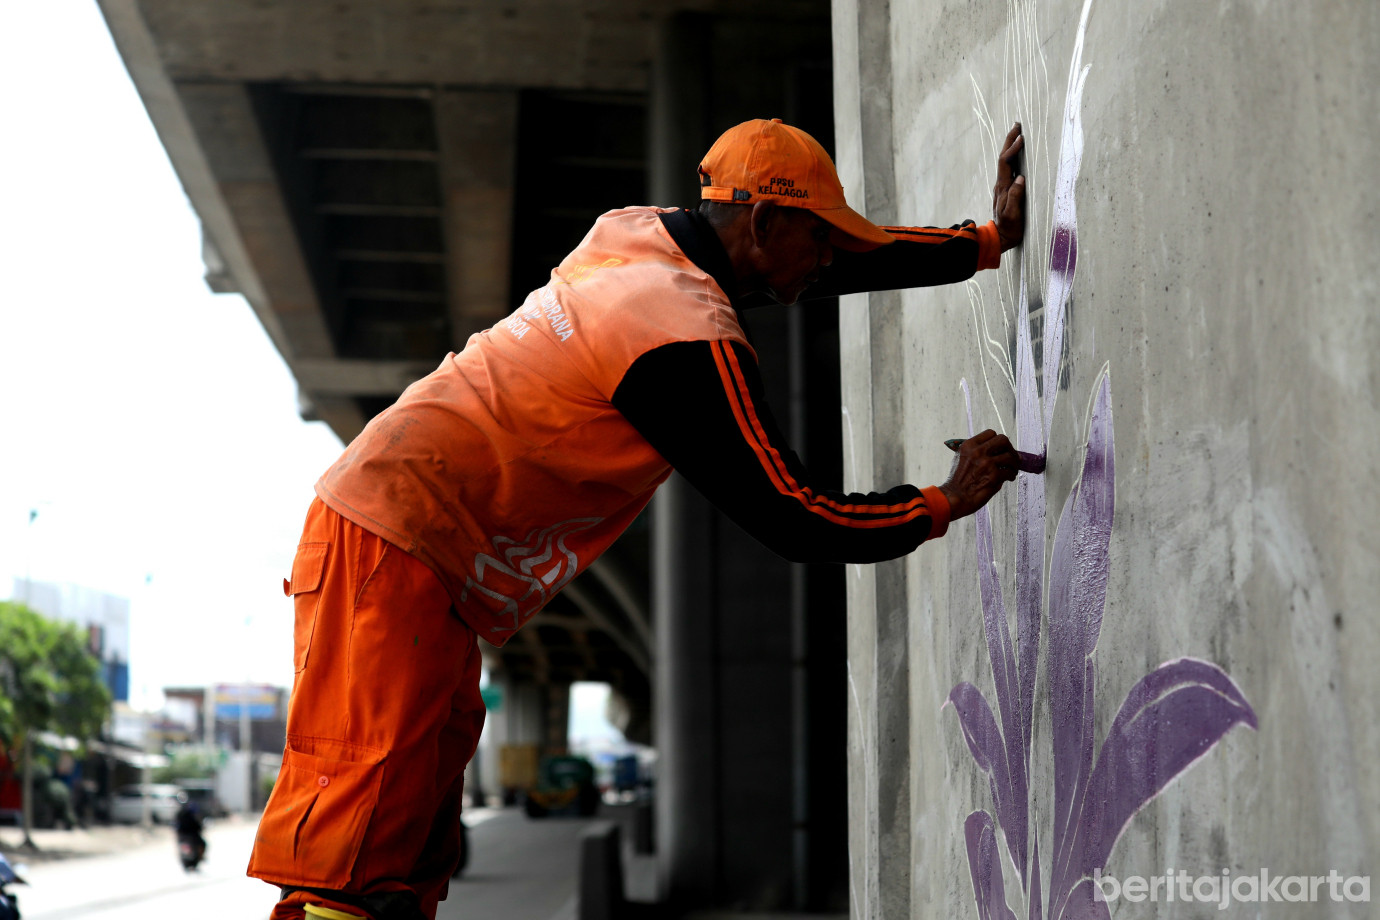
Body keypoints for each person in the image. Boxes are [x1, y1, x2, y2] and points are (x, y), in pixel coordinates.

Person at [248, 117, 1028, 920]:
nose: (832, 254)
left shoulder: (637, 236)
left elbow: (810, 270)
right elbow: (796, 518)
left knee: (409, 848)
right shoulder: (676, 332)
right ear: (761, 223)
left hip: (421, 546)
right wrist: (942, 500)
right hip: (392, 537)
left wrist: (983, 241)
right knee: (356, 844)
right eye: (821, 236)